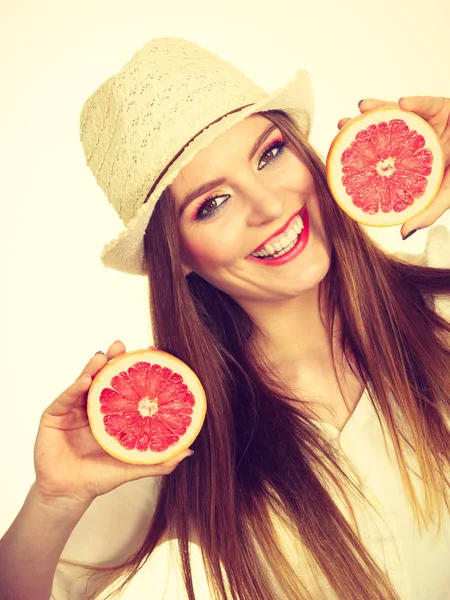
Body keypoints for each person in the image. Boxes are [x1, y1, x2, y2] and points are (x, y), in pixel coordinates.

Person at [1, 36, 450, 600]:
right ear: (179, 257)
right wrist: (55, 499)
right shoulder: (179, 432)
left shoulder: (443, 302)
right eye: (212, 204)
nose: (269, 205)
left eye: (269, 154)